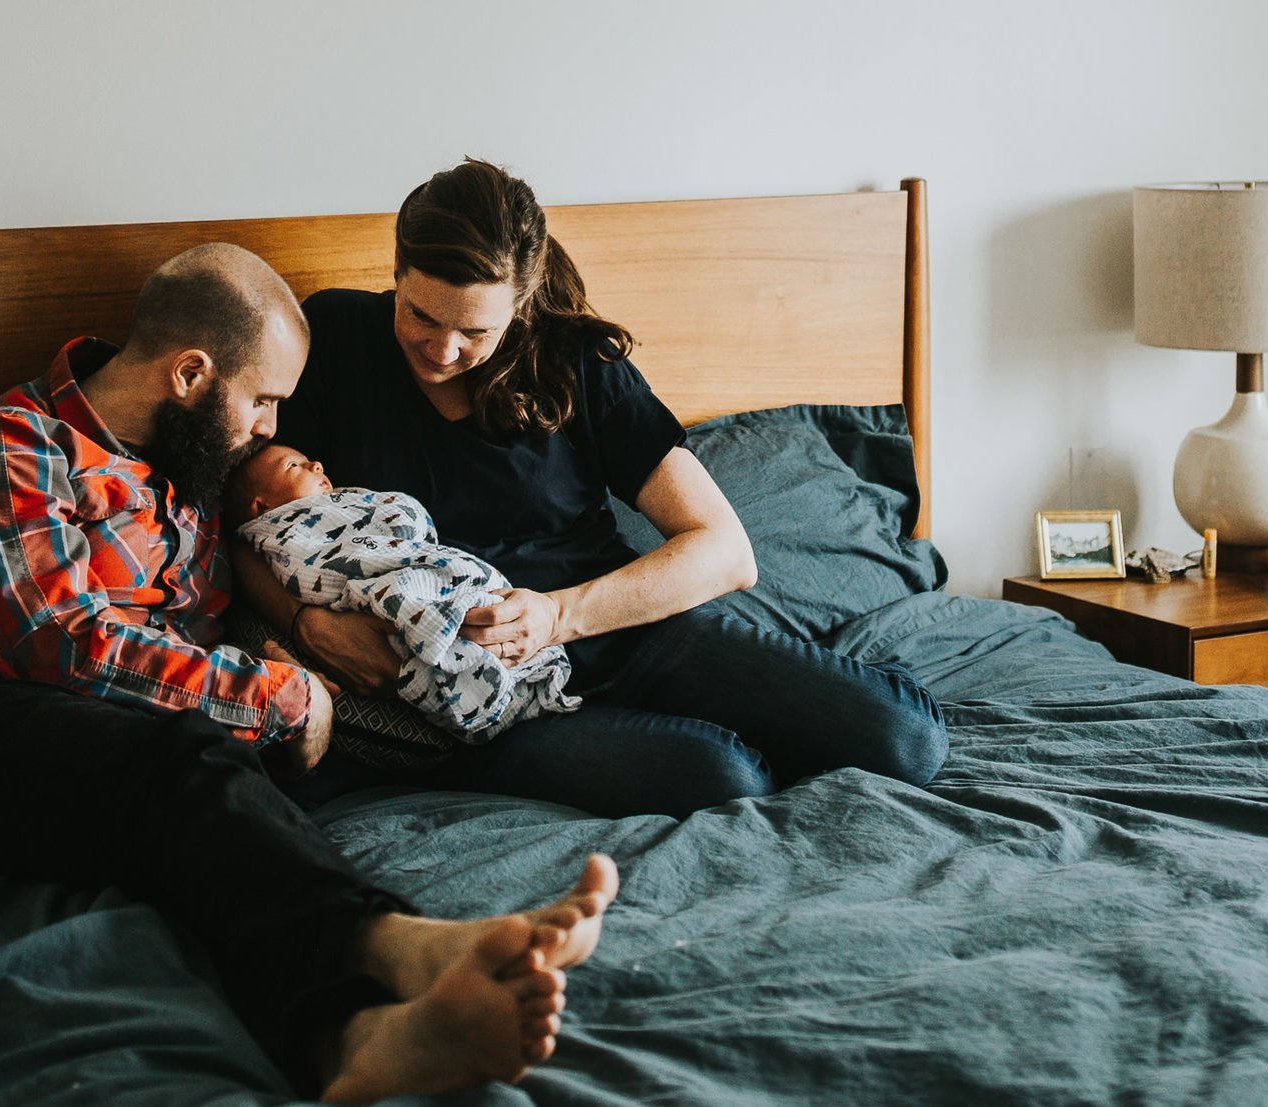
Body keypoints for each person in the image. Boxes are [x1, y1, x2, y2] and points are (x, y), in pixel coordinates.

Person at [0, 242, 618, 1102]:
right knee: (189, 763)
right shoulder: (13, 444)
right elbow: (55, 639)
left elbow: (264, 566)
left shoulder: (193, 470)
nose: (269, 426)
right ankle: (410, 946)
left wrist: (308, 636)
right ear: (190, 372)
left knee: (210, 829)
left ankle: (356, 1034)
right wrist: (279, 694)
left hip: (152, 749)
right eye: (262, 399)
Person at [238, 157, 949, 818]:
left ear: (519, 305)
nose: (443, 349)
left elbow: (726, 551)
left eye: (474, 330)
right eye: (421, 314)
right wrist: (306, 625)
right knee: (728, 778)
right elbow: (230, 525)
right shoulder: (334, 339)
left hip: (625, 633)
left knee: (906, 741)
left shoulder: (574, 358)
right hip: (486, 700)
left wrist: (557, 616)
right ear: (397, 270)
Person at [227, 441, 580, 743]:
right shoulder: (284, 533)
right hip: (382, 604)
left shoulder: (346, 502)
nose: (316, 463)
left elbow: (402, 524)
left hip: (515, 610)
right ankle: (466, 676)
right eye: (294, 466)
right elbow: (313, 566)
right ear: (264, 508)